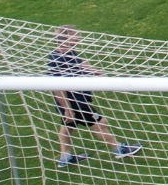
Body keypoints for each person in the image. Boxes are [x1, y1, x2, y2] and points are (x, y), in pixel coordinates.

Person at [47, 27, 143, 167]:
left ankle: (65, 157)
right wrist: (68, 109)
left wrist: (94, 71)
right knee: (99, 122)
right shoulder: (56, 60)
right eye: (75, 35)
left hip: (76, 99)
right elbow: (57, 88)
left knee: (67, 126)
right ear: (66, 37)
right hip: (74, 102)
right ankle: (119, 149)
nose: (78, 37)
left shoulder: (67, 51)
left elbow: (79, 62)